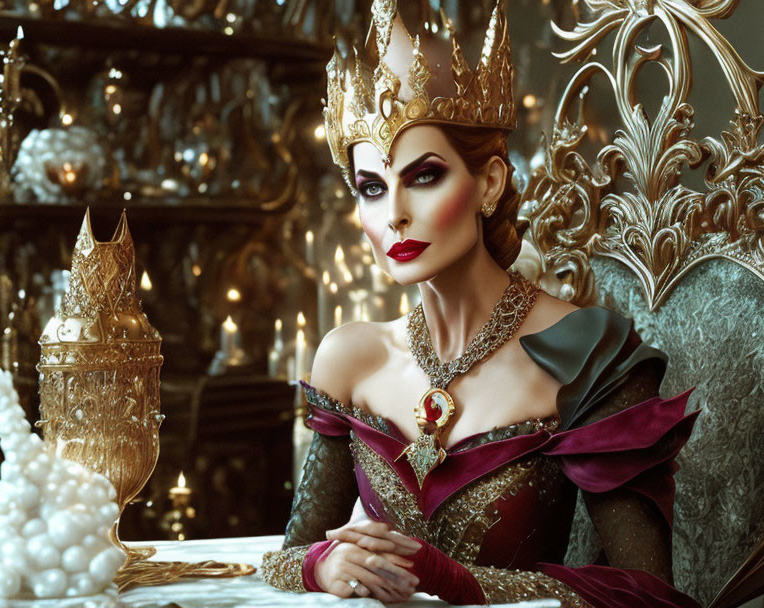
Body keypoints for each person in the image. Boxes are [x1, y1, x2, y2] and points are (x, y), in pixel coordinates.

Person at [261, 1, 700, 606]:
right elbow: (289, 555)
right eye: (371, 188)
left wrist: (453, 583)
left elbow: (646, 593)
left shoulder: (585, 354)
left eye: (424, 176)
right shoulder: (349, 358)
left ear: (488, 183)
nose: (394, 215)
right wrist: (324, 564)